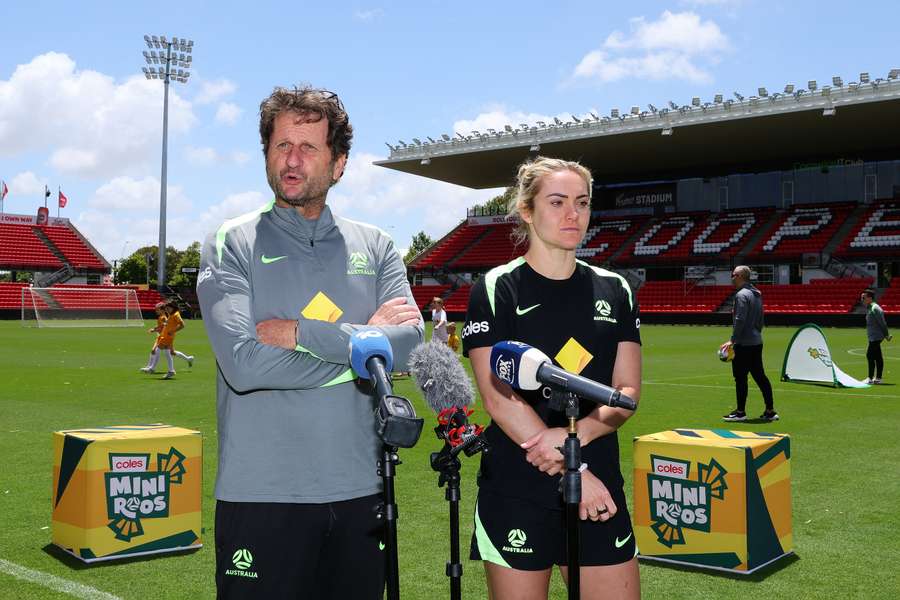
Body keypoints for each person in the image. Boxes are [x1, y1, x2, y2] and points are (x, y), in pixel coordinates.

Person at [196, 85, 422, 600]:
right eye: (281, 145)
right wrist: (367, 350)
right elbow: (244, 365)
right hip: (261, 495)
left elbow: (411, 342)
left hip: (362, 491)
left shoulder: (377, 245)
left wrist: (300, 333)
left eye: (308, 148)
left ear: (338, 164)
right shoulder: (232, 241)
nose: (291, 160)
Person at [462, 157, 641, 600]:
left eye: (582, 202)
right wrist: (573, 467)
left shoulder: (615, 289)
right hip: (518, 486)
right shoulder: (496, 288)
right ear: (527, 210)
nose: (572, 214)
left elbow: (626, 394)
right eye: (557, 202)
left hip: (599, 488)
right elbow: (498, 398)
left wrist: (574, 441)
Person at [722, 265, 778, 422]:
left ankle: (740, 412)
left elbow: (740, 319)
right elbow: (761, 318)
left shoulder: (741, 295)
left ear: (740, 276)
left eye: (733, 275)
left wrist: (733, 340)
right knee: (760, 376)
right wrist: (756, 333)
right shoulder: (756, 293)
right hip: (756, 341)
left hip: (743, 343)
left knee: (740, 378)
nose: (732, 278)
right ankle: (770, 411)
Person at [862, 288, 891, 384]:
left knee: (870, 355)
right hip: (873, 337)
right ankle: (878, 379)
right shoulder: (870, 308)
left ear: (870, 298)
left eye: (864, 297)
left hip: (876, 337)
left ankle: (870, 378)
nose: (862, 300)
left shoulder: (875, 308)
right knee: (877, 356)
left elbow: (882, 323)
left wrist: (886, 335)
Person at [139, 302, 167, 374]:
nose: (156, 311)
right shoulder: (160, 317)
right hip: (159, 336)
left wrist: (154, 330)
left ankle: (151, 368)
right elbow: (160, 326)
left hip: (163, 337)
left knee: (156, 351)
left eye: (157, 310)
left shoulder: (163, 318)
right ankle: (149, 367)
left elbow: (163, 327)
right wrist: (154, 329)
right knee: (154, 351)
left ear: (162, 310)